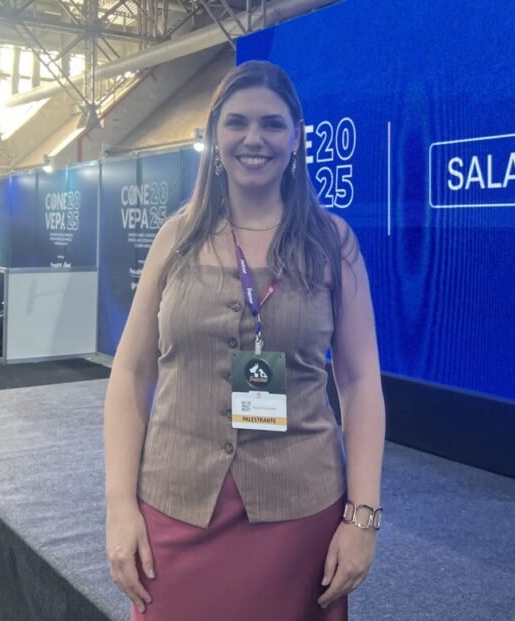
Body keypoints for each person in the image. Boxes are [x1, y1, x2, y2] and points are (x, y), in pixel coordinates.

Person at [103, 60, 386, 621]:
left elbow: (359, 383)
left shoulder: (332, 244)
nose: (253, 138)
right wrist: (118, 507)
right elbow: (131, 374)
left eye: (271, 124)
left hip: (299, 522)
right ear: (214, 135)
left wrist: (363, 518)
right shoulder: (175, 239)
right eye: (236, 122)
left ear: (297, 137)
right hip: (174, 513)